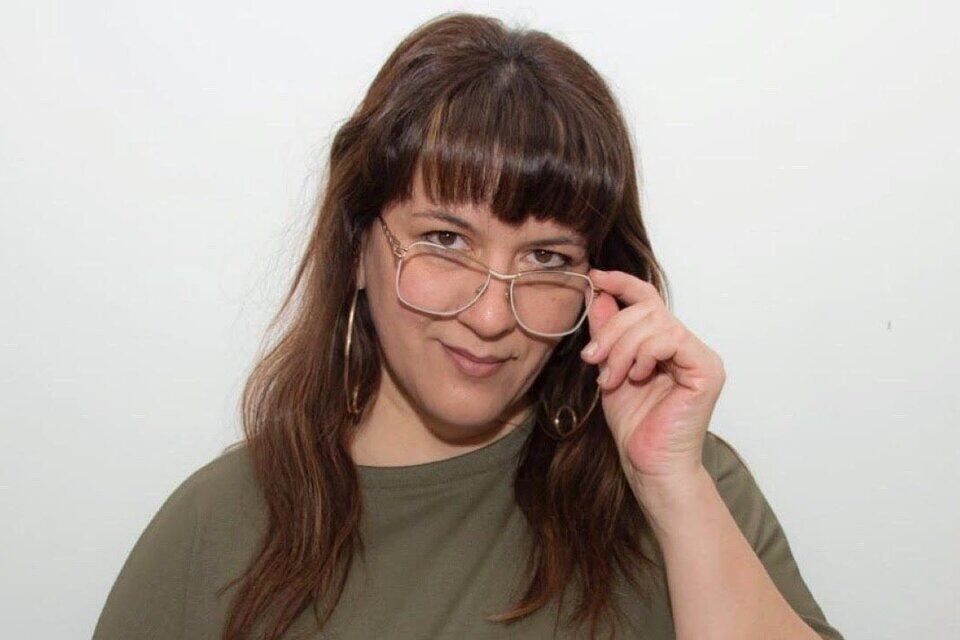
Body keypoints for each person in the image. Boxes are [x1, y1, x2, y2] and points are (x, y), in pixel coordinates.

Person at [93, 11, 844, 640]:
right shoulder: (217, 529)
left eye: (546, 258)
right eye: (446, 241)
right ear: (357, 249)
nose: (489, 317)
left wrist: (671, 488)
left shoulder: (684, 484)